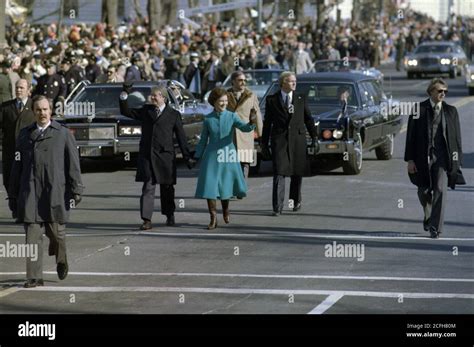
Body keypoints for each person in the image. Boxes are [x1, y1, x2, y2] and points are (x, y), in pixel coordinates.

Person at [8, 95, 84, 288]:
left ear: (51, 111)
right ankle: (34, 277)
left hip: (55, 191)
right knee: (32, 235)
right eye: (38, 110)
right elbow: (17, 164)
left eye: (45, 109)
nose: (42, 113)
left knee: (57, 233)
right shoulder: (25, 135)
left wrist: (76, 188)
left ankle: (61, 259)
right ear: (33, 112)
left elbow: (73, 164)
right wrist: (13, 192)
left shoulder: (63, 133)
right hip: (30, 190)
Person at [119, 83, 196, 230]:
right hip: (147, 155)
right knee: (148, 187)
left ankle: (169, 214)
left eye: (155, 95)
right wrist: (124, 94)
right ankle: (146, 219)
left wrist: (187, 157)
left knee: (167, 187)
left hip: (165, 156)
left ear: (163, 98)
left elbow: (181, 138)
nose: (152, 97)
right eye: (151, 95)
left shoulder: (174, 115)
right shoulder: (146, 111)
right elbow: (126, 111)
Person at [405, 78, 464, 239]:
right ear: (431, 91)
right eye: (439, 91)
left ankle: (435, 228)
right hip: (421, 157)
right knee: (423, 191)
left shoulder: (451, 111)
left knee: (440, 190)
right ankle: (429, 215)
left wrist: (456, 161)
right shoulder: (419, 109)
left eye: (445, 91)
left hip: (443, 158)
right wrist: (410, 160)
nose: (443, 94)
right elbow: (410, 137)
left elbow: (456, 139)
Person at [194, 87, 257, 229]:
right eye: (221, 101)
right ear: (214, 102)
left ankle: (226, 210)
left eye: (226, 101)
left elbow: (245, 128)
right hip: (212, 156)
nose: (224, 103)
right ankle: (213, 218)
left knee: (225, 185)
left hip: (228, 154)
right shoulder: (208, 119)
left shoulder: (232, 116)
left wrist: (252, 121)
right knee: (210, 186)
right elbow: (203, 139)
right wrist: (196, 156)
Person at [261, 71, 317, 216]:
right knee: (279, 172)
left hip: (298, 140)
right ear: (282, 83)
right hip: (279, 140)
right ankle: (277, 207)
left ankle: (294, 201)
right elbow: (267, 123)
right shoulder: (271, 100)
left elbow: (308, 119)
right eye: (291, 81)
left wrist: (314, 138)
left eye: (295, 81)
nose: (294, 83)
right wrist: (264, 144)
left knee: (296, 172)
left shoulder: (300, 98)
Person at [226, 71, 263, 181]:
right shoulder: (225, 95)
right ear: (233, 82)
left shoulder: (251, 95)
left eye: (244, 80)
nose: (243, 82)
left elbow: (256, 116)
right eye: (240, 80)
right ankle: (232, 187)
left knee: (245, 162)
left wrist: (261, 135)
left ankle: (242, 187)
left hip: (245, 134)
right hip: (229, 134)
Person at [0, 79, 36, 193]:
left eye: (21, 88)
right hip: (10, 152)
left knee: (27, 183)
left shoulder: (34, 106)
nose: (19, 90)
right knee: (9, 181)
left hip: (28, 152)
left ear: (28, 90)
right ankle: (14, 205)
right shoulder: (5, 107)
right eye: (17, 88)